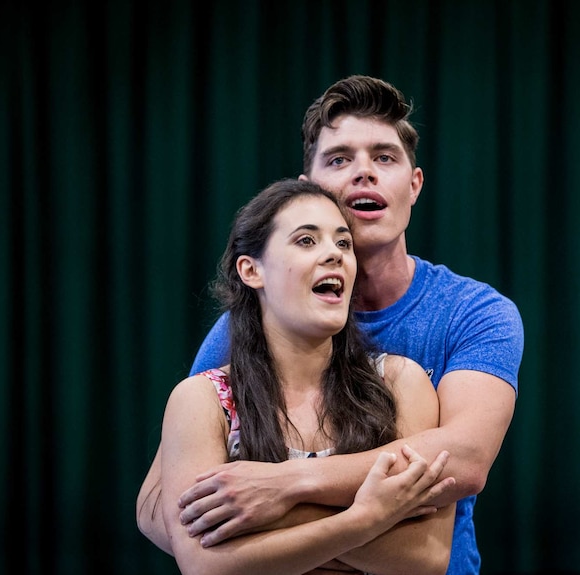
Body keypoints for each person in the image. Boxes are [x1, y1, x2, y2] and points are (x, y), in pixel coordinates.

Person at [137, 76, 524, 575]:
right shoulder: (247, 326)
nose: (364, 172)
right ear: (308, 188)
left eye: (384, 157)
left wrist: (282, 487)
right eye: (340, 159)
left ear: (415, 184)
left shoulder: (472, 313)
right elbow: (159, 507)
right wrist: (369, 518)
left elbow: (463, 462)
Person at [153, 178, 456, 575]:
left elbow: (425, 557)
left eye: (343, 243)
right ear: (251, 270)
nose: (334, 254)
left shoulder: (400, 383)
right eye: (307, 241)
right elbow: (204, 563)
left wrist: (269, 521)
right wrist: (364, 520)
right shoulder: (202, 399)